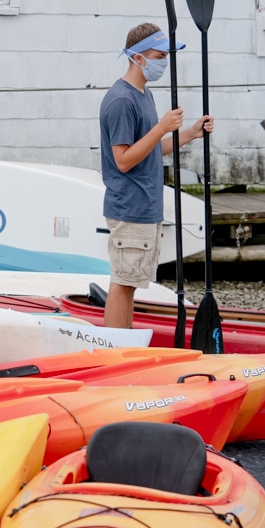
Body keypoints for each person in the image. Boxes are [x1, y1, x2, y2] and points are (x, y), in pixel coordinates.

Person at [100, 23, 213, 329]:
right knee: (123, 282)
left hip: (146, 206)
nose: (164, 61)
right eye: (159, 56)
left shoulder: (143, 94)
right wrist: (162, 127)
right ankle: (114, 347)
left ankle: (123, 342)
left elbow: (148, 149)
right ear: (138, 57)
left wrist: (190, 133)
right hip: (130, 206)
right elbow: (123, 160)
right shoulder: (122, 101)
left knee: (131, 283)